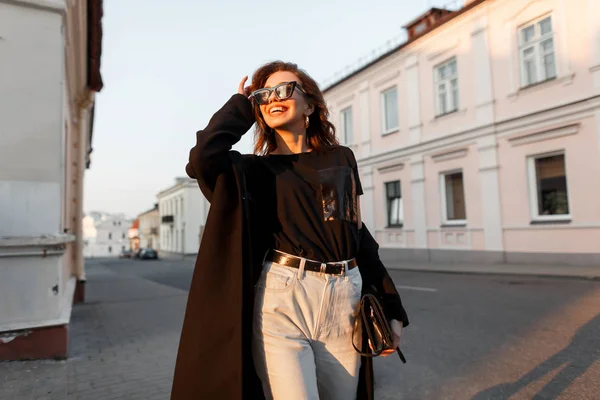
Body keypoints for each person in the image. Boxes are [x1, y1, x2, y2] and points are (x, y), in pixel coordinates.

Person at [171, 61, 409, 400]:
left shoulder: (338, 160)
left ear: (310, 105)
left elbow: (356, 236)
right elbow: (203, 158)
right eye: (263, 95)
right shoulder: (252, 171)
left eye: (285, 89)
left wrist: (392, 305)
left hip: (343, 298)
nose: (273, 98)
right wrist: (240, 108)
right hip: (282, 298)